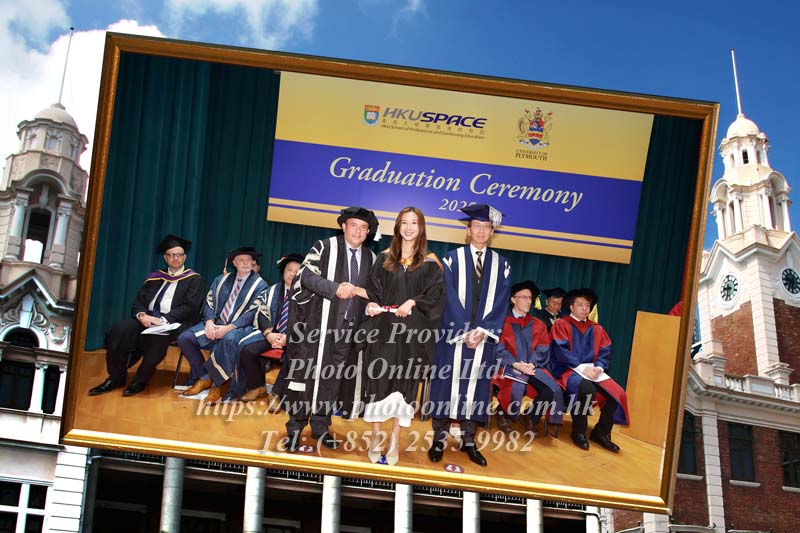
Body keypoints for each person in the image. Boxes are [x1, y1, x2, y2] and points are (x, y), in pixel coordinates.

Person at [283, 206, 378, 451]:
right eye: (353, 225)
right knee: (306, 378)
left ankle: (320, 427)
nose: (358, 231)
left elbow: (375, 291)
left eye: (363, 227)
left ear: (368, 232)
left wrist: (372, 304)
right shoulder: (324, 247)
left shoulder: (371, 258)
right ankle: (295, 428)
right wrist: (335, 289)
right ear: (344, 226)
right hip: (318, 327)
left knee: (332, 381)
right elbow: (305, 276)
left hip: (348, 331)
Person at [428, 204, 511, 467]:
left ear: (492, 232)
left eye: (486, 227)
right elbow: (448, 297)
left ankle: (469, 440)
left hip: (483, 339)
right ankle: (439, 439)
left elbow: (501, 301)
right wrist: (464, 331)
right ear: (468, 230)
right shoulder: (452, 259)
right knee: (445, 387)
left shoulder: (502, 265)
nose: (481, 231)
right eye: (477, 226)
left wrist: (482, 331)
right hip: (454, 336)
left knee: (476, 389)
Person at [361, 207, 445, 465]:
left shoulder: (430, 265)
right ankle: (376, 437)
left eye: (414, 223)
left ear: (421, 227)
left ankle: (395, 440)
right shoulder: (384, 259)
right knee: (377, 383)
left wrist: (414, 301)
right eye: (404, 223)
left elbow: (436, 299)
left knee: (403, 386)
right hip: (384, 333)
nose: (408, 228)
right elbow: (373, 292)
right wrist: (371, 305)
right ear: (397, 227)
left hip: (411, 337)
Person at [89, 234, 204, 397]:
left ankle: (140, 380)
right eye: (171, 255)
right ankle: (116, 377)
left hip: (173, 323)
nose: (175, 258)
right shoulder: (155, 277)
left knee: (157, 338)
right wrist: (141, 315)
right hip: (147, 319)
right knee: (118, 330)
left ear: (184, 257)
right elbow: (138, 301)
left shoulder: (194, 279)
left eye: (179, 255)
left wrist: (162, 320)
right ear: (165, 258)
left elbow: (190, 307)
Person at [177, 247, 267, 403]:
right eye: (241, 260)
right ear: (234, 263)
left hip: (240, 327)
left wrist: (229, 328)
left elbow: (252, 313)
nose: (246, 263)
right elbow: (209, 303)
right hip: (216, 322)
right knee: (185, 338)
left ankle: (217, 385)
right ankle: (204, 377)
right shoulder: (221, 280)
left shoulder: (260, 285)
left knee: (228, 340)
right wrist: (209, 322)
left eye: (249, 260)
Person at [550, 288, 630, 452]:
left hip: (593, 370)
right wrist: (581, 368)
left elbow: (605, 350)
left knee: (617, 394)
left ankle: (601, 432)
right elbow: (560, 350)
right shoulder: (561, 324)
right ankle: (578, 431)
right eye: (580, 305)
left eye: (587, 305)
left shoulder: (596, 328)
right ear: (571, 307)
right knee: (586, 390)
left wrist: (599, 367)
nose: (585, 309)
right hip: (568, 369)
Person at [494, 280, 564, 436]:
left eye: (530, 298)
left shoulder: (538, 324)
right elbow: (497, 347)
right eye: (523, 297)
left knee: (551, 390)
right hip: (507, 366)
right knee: (516, 386)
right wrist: (515, 364)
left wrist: (531, 364)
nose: (528, 301)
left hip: (532, 366)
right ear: (513, 299)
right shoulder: (501, 322)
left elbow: (543, 348)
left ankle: (531, 416)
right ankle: (503, 413)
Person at [237, 253, 304, 404]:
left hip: (294, 337)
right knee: (247, 350)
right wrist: (268, 333)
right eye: (289, 270)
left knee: (294, 355)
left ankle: (276, 393)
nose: (292, 274)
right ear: (283, 271)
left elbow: (306, 322)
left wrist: (288, 337)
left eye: (297, 271)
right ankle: (257, 386)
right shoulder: (271, 290)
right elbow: (261, 313)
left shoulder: (307, 296)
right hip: (272, 333)